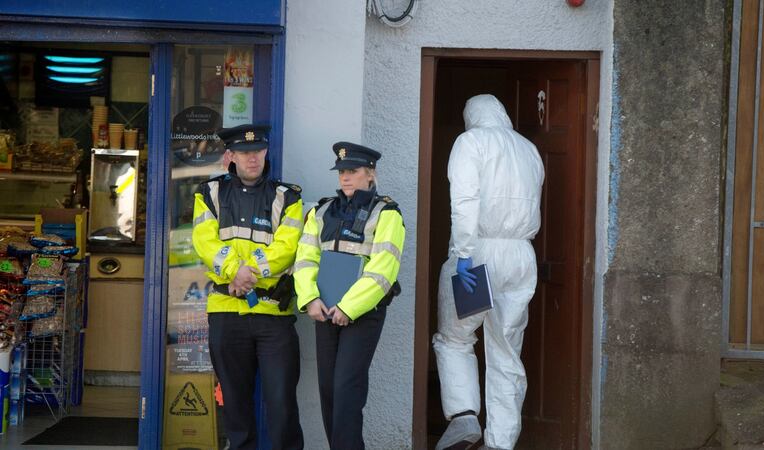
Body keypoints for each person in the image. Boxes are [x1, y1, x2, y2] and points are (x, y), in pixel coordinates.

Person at [432, 94, 544, 450]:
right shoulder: (529, 149)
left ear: (471, 117)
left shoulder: (470, 142)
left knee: (456, 338)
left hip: (479, 254)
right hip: (521, 256)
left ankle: (464, 415)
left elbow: (465, 201)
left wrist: (463, 253)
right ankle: (501, 442)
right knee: (506, 349)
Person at [192, 124, 304, 450]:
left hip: (272, 315)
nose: (252, 159)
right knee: (235, 404)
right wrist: (232, 271)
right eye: (244, 152)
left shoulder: (288, 198)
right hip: (226, 313)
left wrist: (248, 273)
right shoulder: (209, 194)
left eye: (257, 152)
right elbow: (204, 242)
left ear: (266, 153)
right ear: (231, 156)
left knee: (281, 402)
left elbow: (287, 247)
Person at [293, 142, 405, 450]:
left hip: (361, 315)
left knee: (347, 391)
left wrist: (348, 307)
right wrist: (310, 299)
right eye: (342, 171)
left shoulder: (387, 214)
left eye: (353, 171)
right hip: (324, 310)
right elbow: (305, 260)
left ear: (370, 174)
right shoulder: (322, 210)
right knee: (329, 392)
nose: (345, 178)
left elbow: (383, 272)